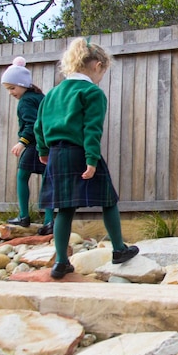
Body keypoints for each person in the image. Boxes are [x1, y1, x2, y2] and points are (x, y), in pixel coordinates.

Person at [34, 38, 139, 279]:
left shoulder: (52, 94)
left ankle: (61, 262)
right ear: (97, 65)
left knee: (64, 208)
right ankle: (119, 249)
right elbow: (92, 129)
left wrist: (43, 152)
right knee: (108, 200)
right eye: (103, 71)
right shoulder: (92, 92)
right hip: (81, 152)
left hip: (56, 156)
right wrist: (91, 159)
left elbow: (39, 127)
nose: (101, 76)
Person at [1, 57, 55, 235]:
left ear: (22, 84)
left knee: (22, 176)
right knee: (48, 180)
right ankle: (49, 221)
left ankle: (24, 216)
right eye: (8, 89)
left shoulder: (26, 101)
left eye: (12, 88)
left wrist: (21, 143)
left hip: (35, 144)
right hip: (48, 143)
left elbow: (32, 125)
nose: (11, 92)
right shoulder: (39, 96)